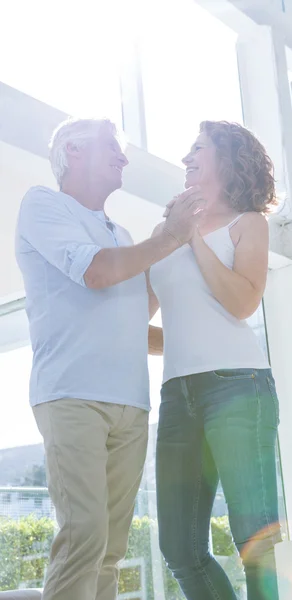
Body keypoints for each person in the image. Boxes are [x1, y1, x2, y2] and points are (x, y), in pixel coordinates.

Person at [15, 117, 203, 600]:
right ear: (73, 151)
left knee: (111, 550)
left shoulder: (120, 232)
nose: (123, 157)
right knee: (84, 539)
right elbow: (96, 274)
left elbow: (134, 313)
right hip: (71, 395)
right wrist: (167, 238)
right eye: (111, 147)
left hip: (131, 405)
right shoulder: (43, 204)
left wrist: (167, 245)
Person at [148, 120, 281, 600]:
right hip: (177, 396)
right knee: (179, 548)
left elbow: (242, 303)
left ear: (227, 159)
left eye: (197, 148)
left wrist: (194, 239)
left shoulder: (248, 223)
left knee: (256, 543)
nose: (186, 157)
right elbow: (139, 325)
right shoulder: (165, 231)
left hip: (239, 387)